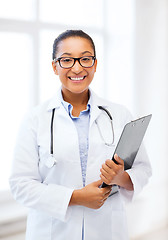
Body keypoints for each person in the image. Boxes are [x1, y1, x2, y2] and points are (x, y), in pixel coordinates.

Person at [9, 30, 152, 240]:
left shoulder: (119, 114)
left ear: (95, 64)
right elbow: (20, 185)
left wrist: (120, 178)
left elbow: (143, 169)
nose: (77, 67)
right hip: (53, 231)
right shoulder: (35, 119)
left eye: (85, 59)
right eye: (66, 60)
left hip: (106, 230)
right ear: (54, 66)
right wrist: (75, 198)